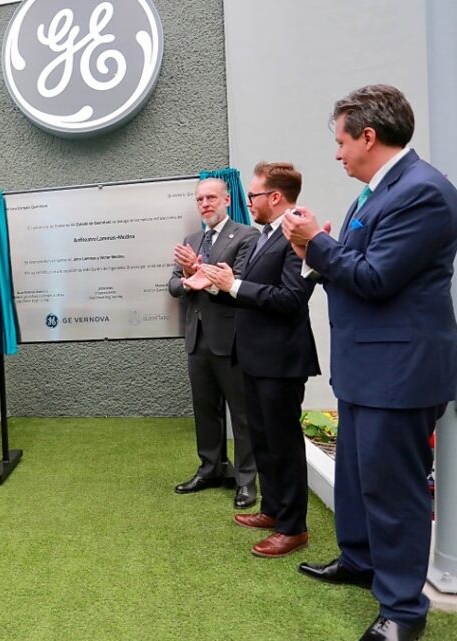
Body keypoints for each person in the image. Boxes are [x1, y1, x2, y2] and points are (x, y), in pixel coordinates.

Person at [283, 85, 457, 641]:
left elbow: (376, 277)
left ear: (368, 136)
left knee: (394, 493)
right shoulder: (378, 192)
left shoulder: (422, 192)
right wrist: (314, 250)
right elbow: (357, 265)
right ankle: (360, 561)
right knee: (358, 480)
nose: (336, 153)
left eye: (341, 142)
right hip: (370, 368)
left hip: (400, 372)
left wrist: (317, 246)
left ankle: (403, 612)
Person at [186, 162, 320, 558]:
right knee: (263, 438)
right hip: (256, 357)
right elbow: (250, 290)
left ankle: (293, 528)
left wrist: (234, 285)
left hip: (281, 359)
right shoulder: (267, 234)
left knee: (284, 444)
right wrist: (224, 283)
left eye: (254, 195)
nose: (250, 202)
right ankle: (273, 510)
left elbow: (292, 298)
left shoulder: (296, 234)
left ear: (275, 197)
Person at [168, 178, 259, 508]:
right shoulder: (191, 240)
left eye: (211, 198)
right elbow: (173, 285)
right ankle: (211, 470)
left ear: (227, 200)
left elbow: (241, 282)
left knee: (242, 414)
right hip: (198, 339)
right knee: (205, 410)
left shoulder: (247, 236)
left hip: (232, 339)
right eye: (200, 199)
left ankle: (246, 481)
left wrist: (200, 275)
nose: (205, 204)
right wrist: (187, 279)